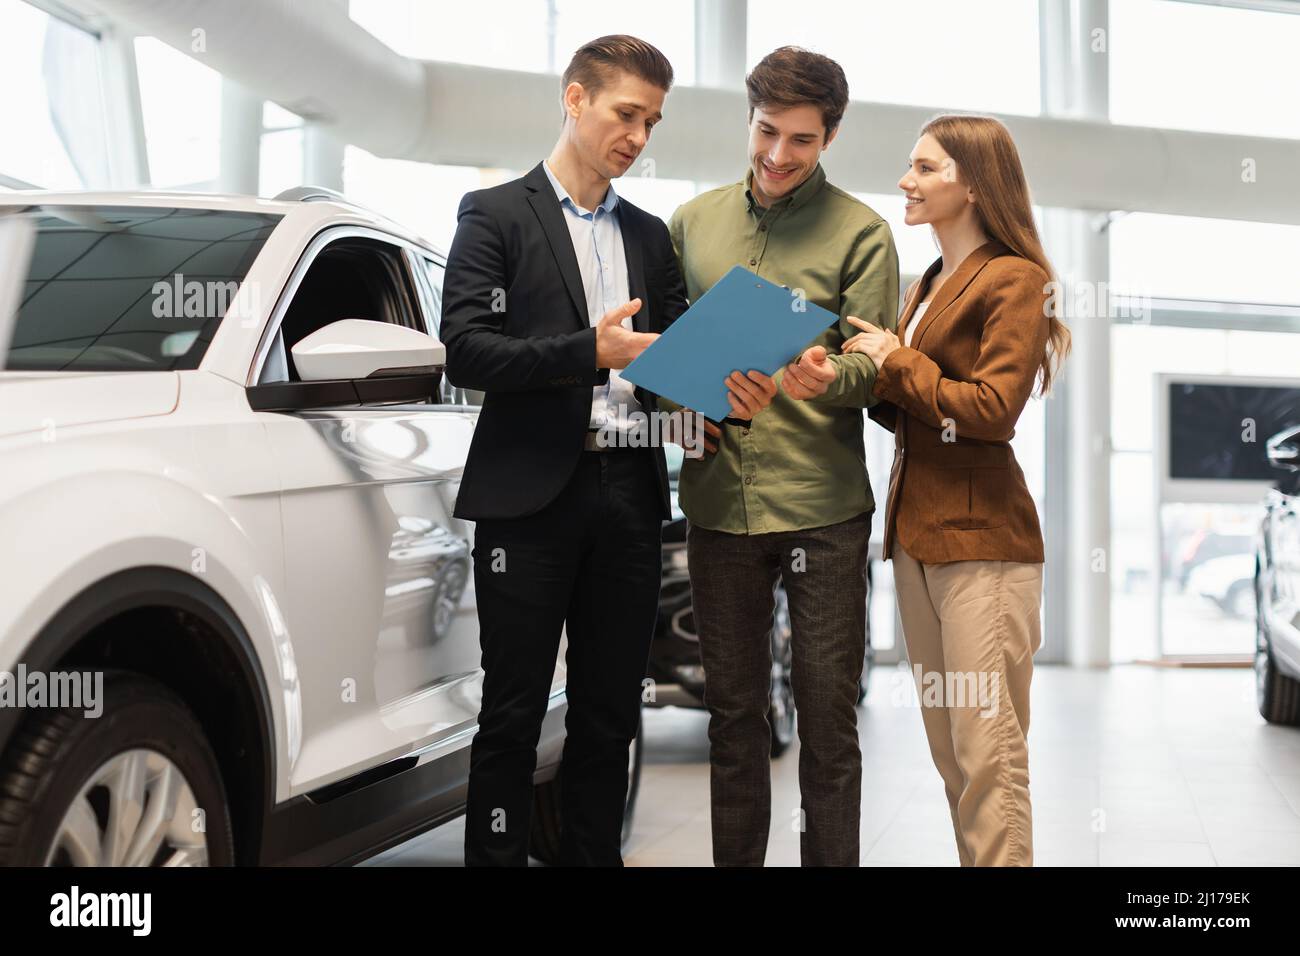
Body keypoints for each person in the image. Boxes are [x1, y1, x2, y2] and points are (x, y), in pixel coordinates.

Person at [441, 34, 773, 867]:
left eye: (652, 123)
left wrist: (724, 399)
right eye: (627, 113)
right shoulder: (495, 215)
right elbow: (468, 351)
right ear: (575, 97)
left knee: (609, 715)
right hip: (528, 499)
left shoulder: (652, 237)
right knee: (513, 714)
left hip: (627, 493)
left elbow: (668, 375)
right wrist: (587, 353)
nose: (638, 136)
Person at [665, 46, 899, 867]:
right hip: (717, 507)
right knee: (734, 722)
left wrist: (824, 375)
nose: (777, 156)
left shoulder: (863, 234)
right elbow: (664, 367)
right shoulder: (691, 224)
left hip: (825, 512)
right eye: (767, 131)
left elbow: (875, 370)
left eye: (801, 140)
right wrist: (690, 391)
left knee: (828, 725)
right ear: (750, 117)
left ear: (829, 137)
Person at [846, 113, 1071, 866]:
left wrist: (894, 360)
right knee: (952, 752)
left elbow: (990, 410)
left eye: (925, 168)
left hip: (985, 545)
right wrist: (855, 378)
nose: (906, 182)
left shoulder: (1017, 278)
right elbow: (918, 409)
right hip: (917, 536)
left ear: (973, 184)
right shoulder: (926, 286)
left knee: (987, 749)